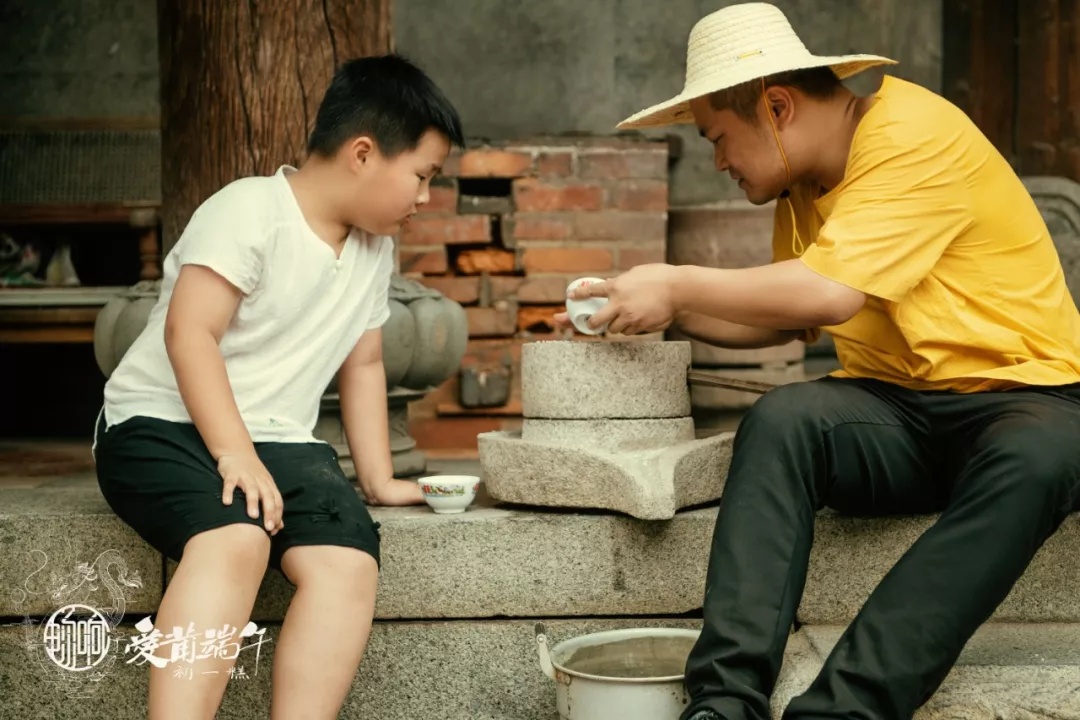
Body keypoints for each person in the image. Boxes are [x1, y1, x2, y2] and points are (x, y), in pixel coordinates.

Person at [558, 3, 1080, 719]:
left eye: (718, 137)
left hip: (1029, 401)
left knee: (1041, 457)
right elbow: (792, 317)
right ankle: (724, 701)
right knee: (786, 418)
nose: (717, 162)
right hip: (898, 412)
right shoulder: (803, 186)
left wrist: (676, 282)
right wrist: (645, 309)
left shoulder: (914, 133)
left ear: (777, 107)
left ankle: (841, 710)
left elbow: (829, 293)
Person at [93, 54, 463, 719]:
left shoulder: (374, 250)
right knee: (235, 540)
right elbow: (190, 334)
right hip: (156, 424)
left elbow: (364, 365)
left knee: (347, 563)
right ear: (362, 154)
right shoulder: (249, 210)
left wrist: (378, 480)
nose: (425, 198)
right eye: (422, 175)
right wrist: (233, 452)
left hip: (278, 440)